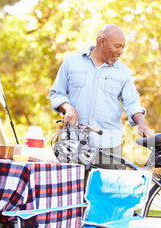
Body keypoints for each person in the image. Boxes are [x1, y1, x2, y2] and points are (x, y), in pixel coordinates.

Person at [49, 24, 152, 169]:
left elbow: (132, 103)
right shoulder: (71, 62)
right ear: (102, 41)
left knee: (108, 192)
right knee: (70, 191)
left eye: (123, 47)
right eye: (117, 46)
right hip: (73, 143)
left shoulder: (124, 72)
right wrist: (68, 107)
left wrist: (142, 123)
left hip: (108, 146)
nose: (121, 51)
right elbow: (56, 93)